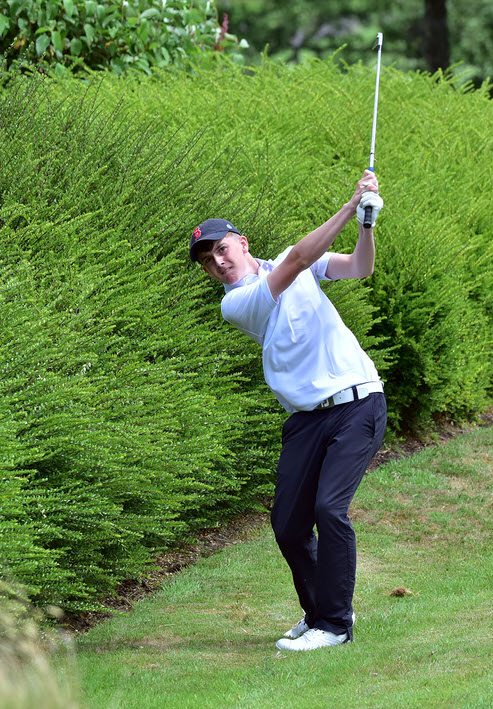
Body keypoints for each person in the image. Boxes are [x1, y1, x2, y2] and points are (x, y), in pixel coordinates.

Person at [189, 171, 387, 652]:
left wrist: (366, 223)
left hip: (358, 401)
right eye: (207, 260)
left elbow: (360, 269)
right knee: (288, 525)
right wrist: (350, 202)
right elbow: (301, 257)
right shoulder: (237, 303)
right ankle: (319, 610)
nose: (217, 262)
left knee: (328, 510)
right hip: (306, 418)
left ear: (241, 243)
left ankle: (335, 625)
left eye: (221, 249)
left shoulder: (287, 266)